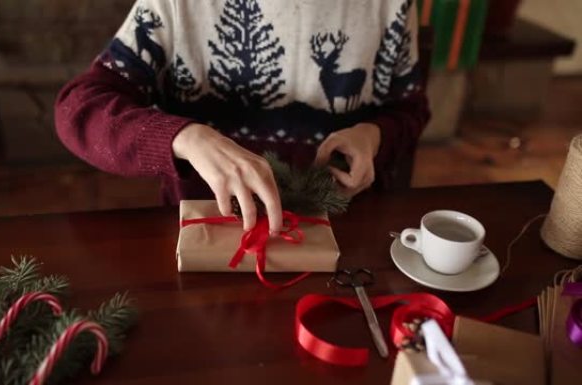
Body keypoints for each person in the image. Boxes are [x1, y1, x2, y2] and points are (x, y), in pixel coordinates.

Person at [55, 0, 430, 235]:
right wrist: (185, 137)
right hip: (207, 231)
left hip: (340, 233)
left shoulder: (391, 6)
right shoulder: (172, 6)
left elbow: (410, 110)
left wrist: (374, 135)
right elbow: (79, 107)